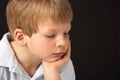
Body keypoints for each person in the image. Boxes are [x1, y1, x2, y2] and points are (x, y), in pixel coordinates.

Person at [0, 0, 75, 80]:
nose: (62, 42)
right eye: (50, 35)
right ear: (21, 37)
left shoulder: (61, 64)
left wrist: (52, 72)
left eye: (66, 33)